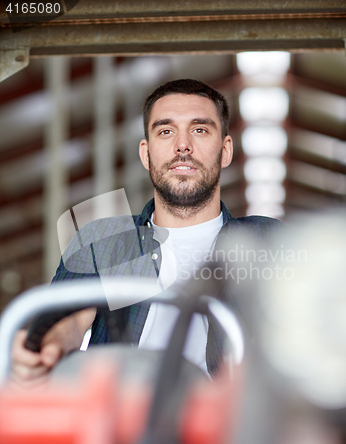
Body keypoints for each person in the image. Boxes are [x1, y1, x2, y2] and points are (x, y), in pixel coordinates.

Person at [10, 79, 281, 387]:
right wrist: (49, 346)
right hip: (122, 413)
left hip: (230, 420)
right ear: (146, 153)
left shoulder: (267, 239)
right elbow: (70, 317)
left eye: (200, 130)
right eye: (166, 131)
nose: (183, 145)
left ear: (226, 150)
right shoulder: (103, 240)